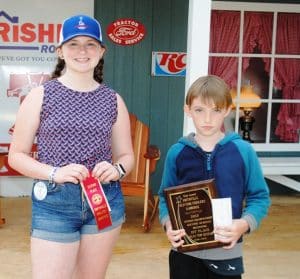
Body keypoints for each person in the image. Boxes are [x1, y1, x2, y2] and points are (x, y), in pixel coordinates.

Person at [8, 14, 134, 279]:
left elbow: (126, 155)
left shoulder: (113, 100)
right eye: (73, 44)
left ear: (101, 51)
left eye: (90, 44)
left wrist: (117, 169)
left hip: (103, 199)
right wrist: (55, 172)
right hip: (55, 201)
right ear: (61, 52)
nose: (82, 51)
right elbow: (16, 156)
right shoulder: (40, 96)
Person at [158, 75, 270, 279]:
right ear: (188, 110)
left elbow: (259, 197)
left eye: (216, 110)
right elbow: (165, 197)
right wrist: (168, 223)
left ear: (227, 110)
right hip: (184, 253)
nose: (207, 119)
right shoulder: (176, 152)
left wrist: (243, 224)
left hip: (227, 253)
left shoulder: (243, 151)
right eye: (199, 110)